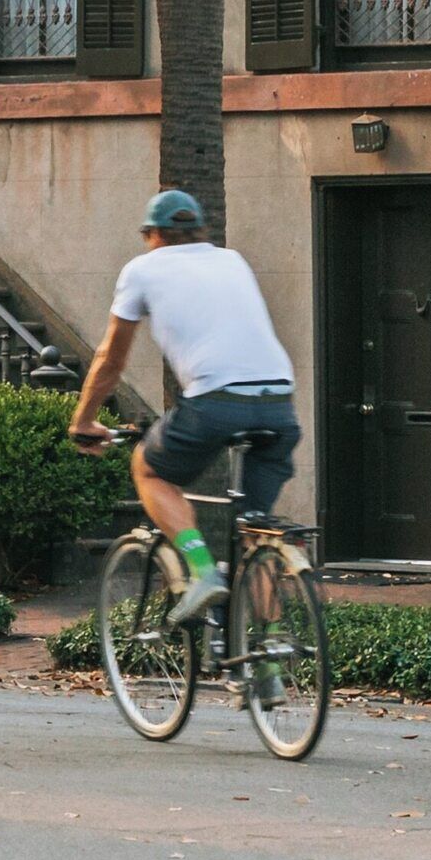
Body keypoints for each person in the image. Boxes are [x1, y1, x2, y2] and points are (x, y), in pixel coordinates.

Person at [64, 187, 301, 630]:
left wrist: (83, 420)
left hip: (215, 402)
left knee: (150, 470)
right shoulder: (232, 260)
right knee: (255, 530)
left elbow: (111, 360)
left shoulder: (141, 270)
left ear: (152, 234)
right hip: (279, 404)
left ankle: (201, 570)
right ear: (200, 230)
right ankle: (269, 661)